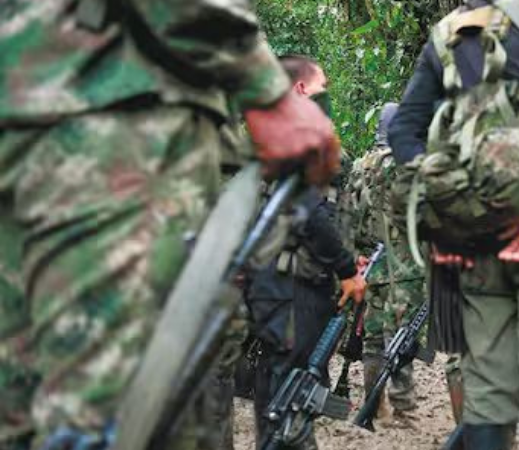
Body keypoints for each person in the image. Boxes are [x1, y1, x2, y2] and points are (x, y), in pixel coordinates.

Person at [0, 1, 339, 448]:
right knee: (124, 412)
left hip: (26, 107)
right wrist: (265, 88)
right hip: (115, 117)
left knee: (23, 406)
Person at [388, 0, 519, 448]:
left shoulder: (449, 32)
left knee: (487, 400)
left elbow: (404, 131)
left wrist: (446, 224)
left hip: (476, 245)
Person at [245, 55, 365, 450]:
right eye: (322, 86)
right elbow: (310, 211)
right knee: (295, 392)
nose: (327, 94)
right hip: (298, 286)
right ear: (300, 89)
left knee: (275, 388)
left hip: (269, 282)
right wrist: (346, 269)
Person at [348, 103, 422, 424]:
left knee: (373, 336)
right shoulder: (407, 165)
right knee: (402, 333)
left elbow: (348, 216)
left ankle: (373, 406)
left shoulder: (360, 166)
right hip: (404, 264)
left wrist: (353, 257)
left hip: (369, 262)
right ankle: (403, 407)